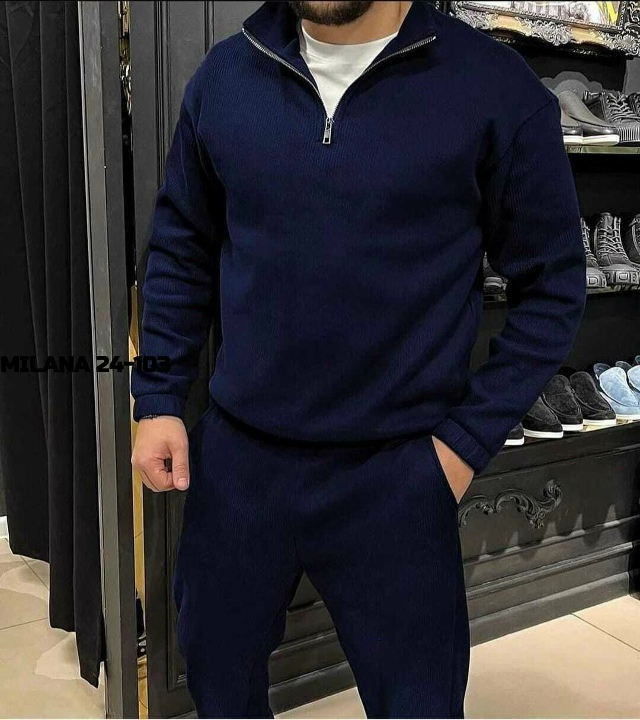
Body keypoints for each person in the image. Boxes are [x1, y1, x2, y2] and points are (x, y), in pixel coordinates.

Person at [131, 1, 586, 717]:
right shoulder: (226, 78)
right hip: (241, 466)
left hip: (398, 475)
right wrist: (158, 399)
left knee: (418, 705)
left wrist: (459, 449)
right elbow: (181, 250)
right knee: (218, 685)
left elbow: (553, 289)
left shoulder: (493, 88)